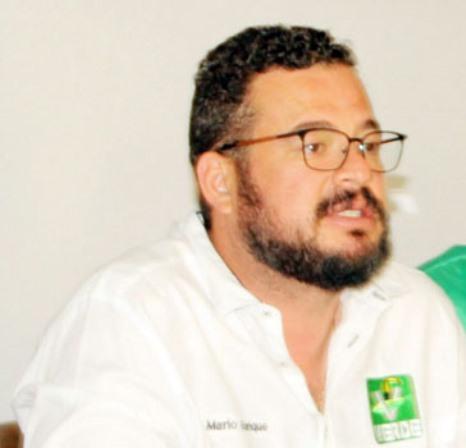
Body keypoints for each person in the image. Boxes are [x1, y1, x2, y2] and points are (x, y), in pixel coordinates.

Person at [13, 25, 465, 447]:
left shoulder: (415, 313)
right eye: (315, 145)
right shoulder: (132, 320)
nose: (359, 172)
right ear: (220, 181)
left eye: (367, 145)